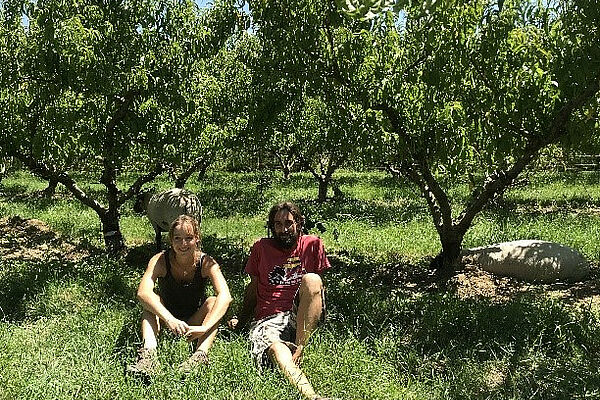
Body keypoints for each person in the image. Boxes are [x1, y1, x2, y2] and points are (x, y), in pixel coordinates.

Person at [229, 201, 337, 400]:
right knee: (277, 349)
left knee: (312, 279)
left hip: (301, 314)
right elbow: (252, 290)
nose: (283, 229)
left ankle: (299, 347)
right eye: (277, 224)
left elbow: (318, 291)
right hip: (268, 319)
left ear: (299, 223)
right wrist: (241, 321)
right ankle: (312, 396)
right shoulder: (261, 248)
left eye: (288, 223)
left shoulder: (313, 244)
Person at [128, 214, 232, 375]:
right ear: (171, 240)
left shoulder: (206, 262)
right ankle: (148, 355)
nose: (183, 244)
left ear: (197, 238)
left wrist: (203, 327)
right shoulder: (160, 260)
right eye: (177, 238)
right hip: (165, 319)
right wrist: (169, 319)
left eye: (188, 238)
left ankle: (200, 356)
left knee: (213, 302)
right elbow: (142, 292)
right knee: (151, 300)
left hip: (194, 321)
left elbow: (225, 296)